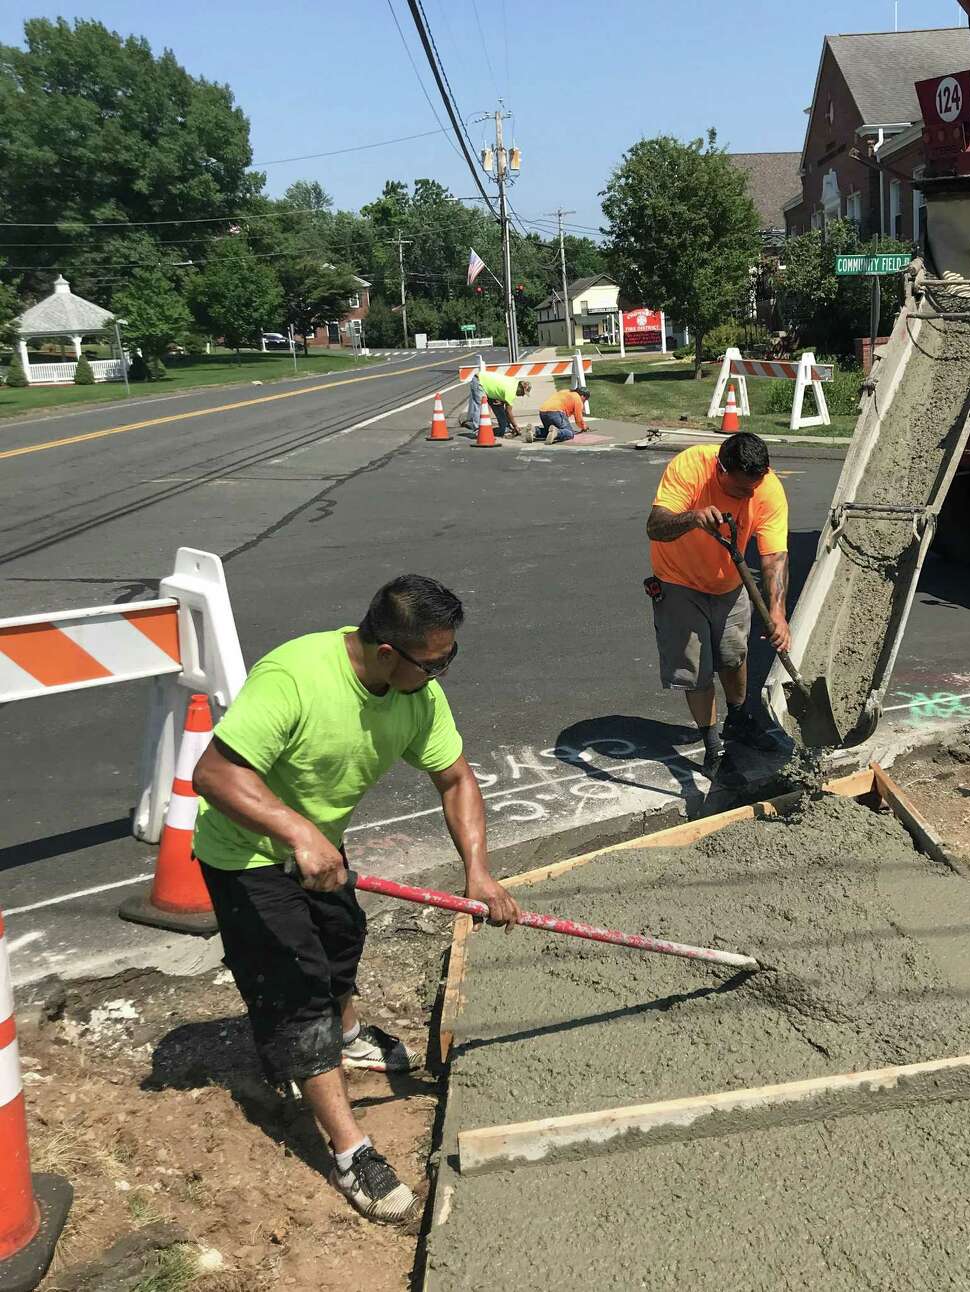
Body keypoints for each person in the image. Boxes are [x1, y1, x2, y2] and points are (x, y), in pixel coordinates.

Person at [191, 575, 520, 1225]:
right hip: (248, 855)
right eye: (435, 662)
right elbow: (214, 774)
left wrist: (478, 871)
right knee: (302, 990)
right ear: (387, 654)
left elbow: (455, 779)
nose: (442, 675)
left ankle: (345, 1036)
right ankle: (351, 1151)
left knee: (343, 938)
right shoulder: (294, 678)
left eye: (450, 658)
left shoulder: (416, 695)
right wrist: (294, 832)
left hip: (318, 851)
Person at [644, 432, 790, 770]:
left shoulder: (767, 489)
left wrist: (778, 614)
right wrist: (693, 517)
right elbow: (656, 526)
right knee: (695, 669)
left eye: (752, 489)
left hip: (729, 584)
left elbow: (774, 557)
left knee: (733, 656)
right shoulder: (691, 466)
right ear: (719, 469)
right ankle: (712, 745)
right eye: (738, 489)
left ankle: (738, 720)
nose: (746, 496)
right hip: (678, 580)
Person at [461, 371, 531, 439]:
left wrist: (502, 401)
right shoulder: (511, 391)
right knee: (481, 406)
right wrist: (515, 426)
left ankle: (505, 428)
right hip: (479, 381)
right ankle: (478, 430)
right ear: (520, 388)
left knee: (498, 406)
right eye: (523, 393)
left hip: (489, 387)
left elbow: (501, 388)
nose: (522, 395)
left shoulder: (515, 382)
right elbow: (508, 412)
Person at [524, 386, 588, 444]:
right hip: (556, 412)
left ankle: (534, 430)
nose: (584, 402)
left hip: (543, 411)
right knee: (569, 433)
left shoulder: (565, 391)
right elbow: (578, 419)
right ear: (583, 396)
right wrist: (584, 427)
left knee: (549, 431)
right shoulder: (578, 398)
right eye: (585, 400)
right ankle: (557, 433)